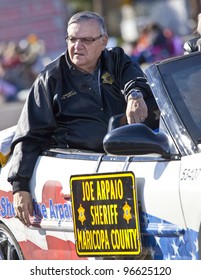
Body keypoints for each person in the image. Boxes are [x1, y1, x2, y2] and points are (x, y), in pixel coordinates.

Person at [7, 11, 153, 226]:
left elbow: (134, 77)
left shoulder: (115, 58)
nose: (77, 46)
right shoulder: (50, 79)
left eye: (86, 40)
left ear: (103, 41)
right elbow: (29, 135)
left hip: (129, 161)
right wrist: (20, 187)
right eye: (72, 39)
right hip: (82, 172)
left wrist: (135, 95)